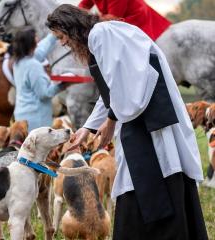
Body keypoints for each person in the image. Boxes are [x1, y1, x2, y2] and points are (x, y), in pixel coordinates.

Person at [46, 4, 208, 240]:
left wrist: (111, 121)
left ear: (70, 28)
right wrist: (87, 128)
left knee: (149, 181)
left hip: (148, 120)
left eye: (61, 36)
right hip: (139, 116)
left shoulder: (101, 35)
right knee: (139, 181)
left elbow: (126, 83)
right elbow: (111, 90)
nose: (62, 43)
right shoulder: (102, 34)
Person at [12, 26, 68, 131]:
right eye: (35, 37)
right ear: (31, 42)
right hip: (36, 119)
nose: (38, 38)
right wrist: (63, 85)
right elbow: (44, 94)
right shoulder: (33, 65)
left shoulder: (18, 62)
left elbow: (40, 51)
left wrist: (53, 36)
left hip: (21, 115)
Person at [78, 0, 171, 41]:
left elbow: (113, 17)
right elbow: (82, 7)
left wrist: (87, 18)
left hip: (134, 17)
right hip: (114, 18)